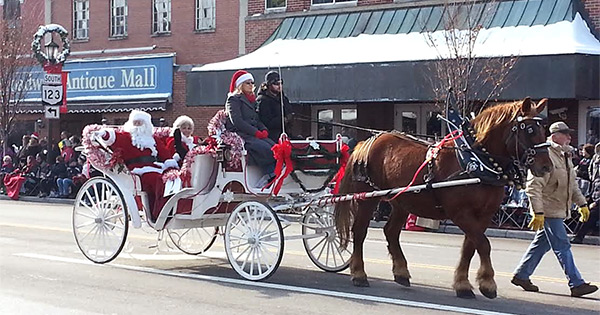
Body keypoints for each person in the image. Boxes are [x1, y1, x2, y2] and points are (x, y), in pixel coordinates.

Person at [511, 121, 598, 298]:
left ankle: (522, 275)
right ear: (555, 136)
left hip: (557, 209)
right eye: (565, 134)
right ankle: (576, 283)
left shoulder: (564, 156)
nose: (569, 137)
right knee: (562, 245)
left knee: (540, 244)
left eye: (569, 134)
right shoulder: (546, 155)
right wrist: (538, 212)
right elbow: (533, 186)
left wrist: (582, 204)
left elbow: (572, 185)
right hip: (549, 210)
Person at [92, 110, 177, 221]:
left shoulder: (153, 139)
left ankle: (172, 208)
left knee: (173, 179)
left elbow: (164, 153)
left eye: (140, 123)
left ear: (146, 124)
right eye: (135, 122)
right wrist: (104, 134)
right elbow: (114, 137)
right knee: (156, 179)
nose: (137, 125)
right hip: (138, 169)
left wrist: (171, 167)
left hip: (156, 167)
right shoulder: (127, 137)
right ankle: (158, 213)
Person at [225, 70, 276, 187]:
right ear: (241, 85)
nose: (251, 85)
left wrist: (263, 129)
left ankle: (274, 172)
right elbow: (237, 121)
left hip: (253, 133)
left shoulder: (251, 100)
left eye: (252, 83)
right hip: (241, 134)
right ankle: (269, 174)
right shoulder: (234, 99)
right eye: (248, 83)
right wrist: (256, 132)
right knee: (265, 148)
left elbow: (256, 119)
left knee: (275, 147)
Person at [572, 142, 600, 244]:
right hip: (594, 194)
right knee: (585, 212)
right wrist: (590, 196)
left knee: (592, 214)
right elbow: (593, 180)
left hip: (598, 200)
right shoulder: (594, 162)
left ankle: (579, 236)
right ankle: (575, 234)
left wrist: (597, 202)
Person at [257, 71, 293, 142]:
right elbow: (266, 122)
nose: (279, 86)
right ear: (269, 85)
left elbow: (289, 111)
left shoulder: (283, 98)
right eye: (276, 83)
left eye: (281, 83)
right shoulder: (263, 100)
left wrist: (290, 116)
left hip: (285, 134)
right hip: (271, 136)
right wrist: (283, 120)